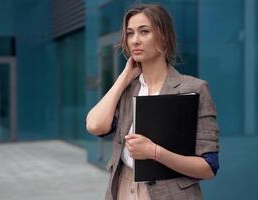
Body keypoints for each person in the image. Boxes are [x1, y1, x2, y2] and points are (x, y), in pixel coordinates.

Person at [86, 3, 219, 200]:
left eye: (144, 31)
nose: (135, 40)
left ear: (163, 37)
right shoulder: (128, 90)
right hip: (123, 189)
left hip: (171, 193)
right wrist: (124, 77)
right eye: (130, 33)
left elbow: (208, 168)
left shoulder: (194, 89)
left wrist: (154, 152)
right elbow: (95, 126)